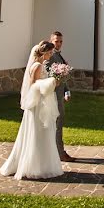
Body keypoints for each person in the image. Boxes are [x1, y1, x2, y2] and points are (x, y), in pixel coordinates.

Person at [0, 40, 63, 180]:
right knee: (37, 132)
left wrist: (54, 79)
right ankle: (34, 166)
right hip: (38, 104)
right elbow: (34, 85)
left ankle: (40, 164)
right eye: (50, 52)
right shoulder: (37, 66)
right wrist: (51, 82)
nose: (51, 55)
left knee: (42, 132)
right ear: (44, 52)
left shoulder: (40, 65)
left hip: (40, 102)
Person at [46, 31, 75, 162]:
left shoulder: (58, 55)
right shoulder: (50, 56)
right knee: (57, 124)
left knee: (59, 123)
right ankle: (60, 153)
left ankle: (57, 151)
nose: (59, 44)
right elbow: (47, 73)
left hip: (59, 93)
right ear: (51, 41)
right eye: (56, 41)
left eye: (61, 41)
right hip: (52, 95)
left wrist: (66, 91)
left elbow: (62, 77)